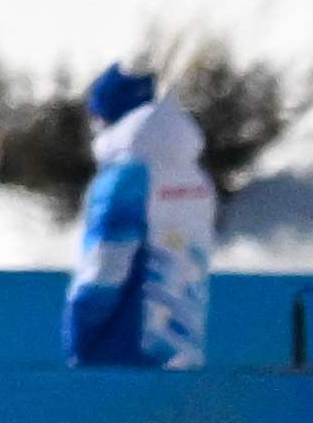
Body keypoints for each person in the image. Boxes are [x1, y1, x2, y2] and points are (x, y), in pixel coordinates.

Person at [61, 63, 220, 367]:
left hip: (122, 351)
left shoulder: (124, 178)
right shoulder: (196, 177)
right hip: (183, 347)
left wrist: (79, 334)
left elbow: (106, 264)